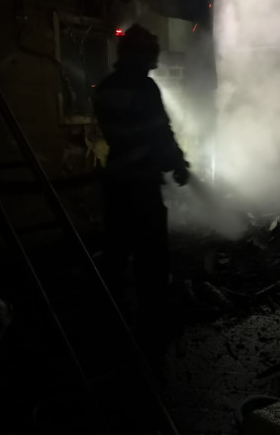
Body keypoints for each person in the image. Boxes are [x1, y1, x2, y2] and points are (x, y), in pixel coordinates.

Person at [93, 24, 189, 351]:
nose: (153, 60)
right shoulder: (145, 88)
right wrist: (177, 163)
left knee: (115, 253)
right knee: (152, 258)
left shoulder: (105, 87)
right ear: (143, 55)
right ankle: (152, 328)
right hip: (141, 186)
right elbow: (160, 133)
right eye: (150, 54)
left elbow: (123, 135)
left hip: (115, 182)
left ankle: (110, 322)